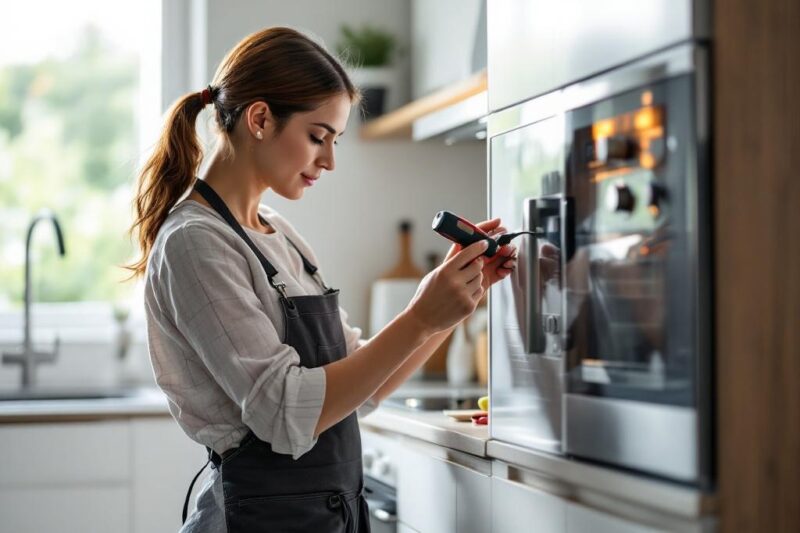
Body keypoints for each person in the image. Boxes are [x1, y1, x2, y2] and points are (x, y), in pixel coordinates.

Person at [128, 27, 516, 533]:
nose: (329, 160)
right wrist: (421, 316)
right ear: (260, 119)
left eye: (335, 140)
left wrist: (452, 304)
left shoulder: (279, 233)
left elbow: (365, 385)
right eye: (318, 136)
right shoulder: (194, 243)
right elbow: (285, 411)